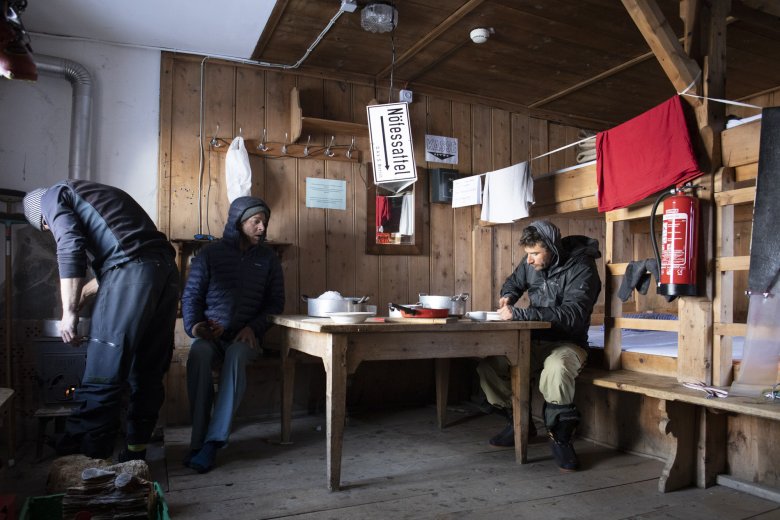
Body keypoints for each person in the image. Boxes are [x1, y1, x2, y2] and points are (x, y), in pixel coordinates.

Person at [22, 179, 179, 461]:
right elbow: (131, 255)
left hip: (132, 272)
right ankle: (135, 455)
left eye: (46, 227)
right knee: (147, 370)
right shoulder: (97, 193)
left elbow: (70, 246)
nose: (50, 230)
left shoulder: (50, 196)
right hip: (165, 273)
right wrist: (83, 293)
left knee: (102, 372)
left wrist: (69, 313)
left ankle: (91, 463)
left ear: (42, 217)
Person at [476, 220, 601, 472]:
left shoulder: (583, 267)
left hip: (568, 342)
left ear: (552, 248)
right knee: (490, 367)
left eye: (535, 254)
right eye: (528, 255)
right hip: (531, 340)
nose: (530, 260)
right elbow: (514, 282)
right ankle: (519, 423)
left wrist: (521, 315)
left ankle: (560, 438)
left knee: (557, 367)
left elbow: (573, 314)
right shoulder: (530, 263)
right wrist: (508, 295)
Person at [181, 196, 285, 473]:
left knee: (237, 356)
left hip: (246, 337)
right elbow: (191, 297)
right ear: (238, 223)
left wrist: (255, 327)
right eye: (256, 221)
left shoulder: (268, 259)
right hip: (212, 336)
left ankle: (213, 443)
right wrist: (196, 327)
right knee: (199, 353)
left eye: (264, 222)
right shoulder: (210, 255)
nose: (262, 228)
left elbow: (275, 304)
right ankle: (197, 440)